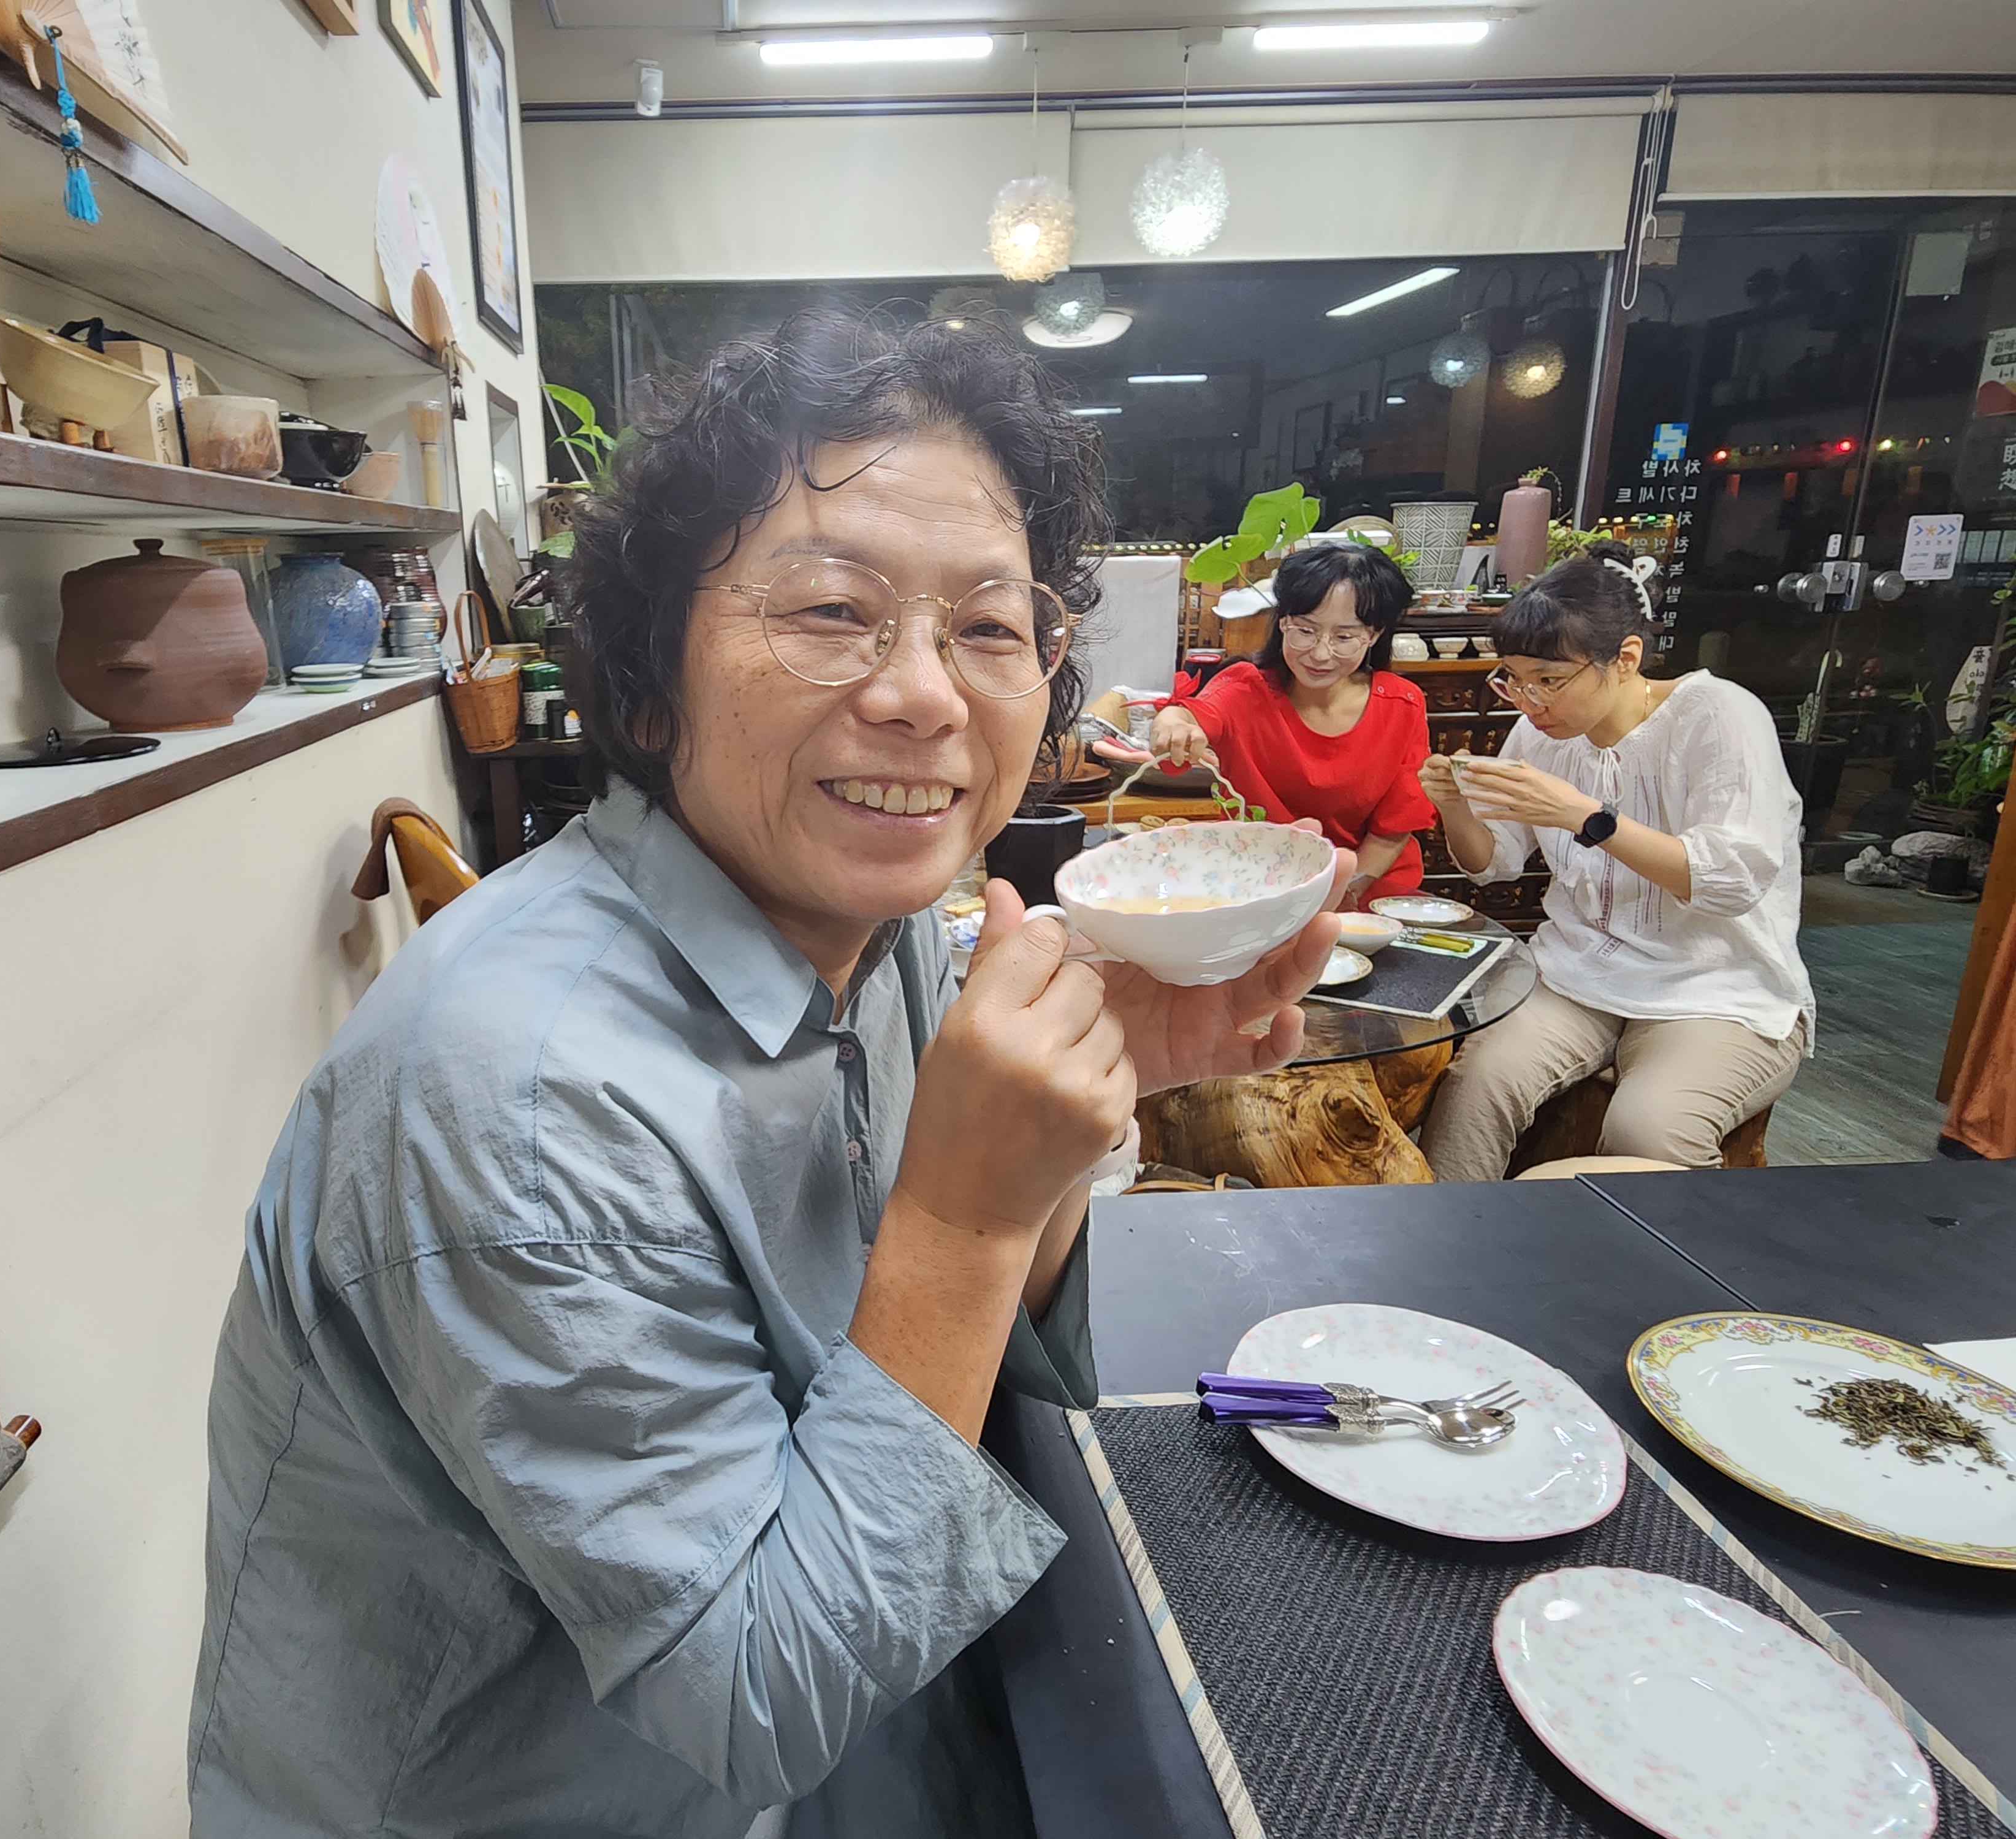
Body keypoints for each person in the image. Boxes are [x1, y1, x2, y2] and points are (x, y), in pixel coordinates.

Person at [187, 311, 1346, 1839]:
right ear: (648, 681)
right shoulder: (515, 1104)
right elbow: (758, 1697)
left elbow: (967, 1370)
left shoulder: (888, 930)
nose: (925, 693)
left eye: (989, 628)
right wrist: (965, 1219)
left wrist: (1079, 1113)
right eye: (831, 609)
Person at [1417, 541, 1814, 1179]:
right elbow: (1495, 862)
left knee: (1648, 1130)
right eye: (1512, 678)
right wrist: (1454, 807)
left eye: (1549, 680)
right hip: (1578, 974)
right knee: (1473, 1087)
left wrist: (1585, 817)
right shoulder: (1540, 732)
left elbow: (1731, 879)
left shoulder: (1718, 714)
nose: (1529, 700)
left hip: (1714, 987)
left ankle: (1670, 1246)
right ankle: (1447, 1234)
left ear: (1625, 659)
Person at [1148, 544, 1436, 907]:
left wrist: (1340, 895)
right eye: (1305, 630)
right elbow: (1190, 715)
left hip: (1368, 893)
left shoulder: (1401, 704)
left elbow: (1394, 828)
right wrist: (1172, 722)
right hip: (1262, 892)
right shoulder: (1246, 689)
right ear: (1283, 621)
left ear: (1374, 635)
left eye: (1344, 637)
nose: (1320, 653)